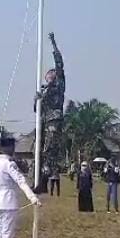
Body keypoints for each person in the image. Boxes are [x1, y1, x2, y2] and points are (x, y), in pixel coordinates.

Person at [33, 32, 66, 193]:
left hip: (54, 121)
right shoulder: (44, 92)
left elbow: (59, 62)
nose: (49, 76)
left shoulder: (59, 84)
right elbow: (36, 110)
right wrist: (38, 98)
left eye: (51, 74)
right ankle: (40, 183)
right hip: (44, 123)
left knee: (49, 152)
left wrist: (53, 43)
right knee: (39, 152)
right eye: (48, 75)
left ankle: (44, 181)